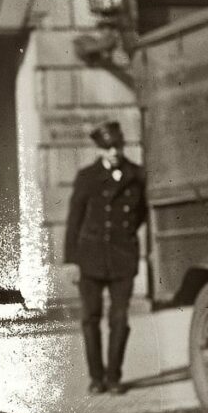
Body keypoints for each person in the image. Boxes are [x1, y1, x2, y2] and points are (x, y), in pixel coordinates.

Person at [64, 119, 147, 395]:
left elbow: (141, 214)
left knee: (120, 319)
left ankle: (114, 377)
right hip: (90, 257)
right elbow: (74, 220)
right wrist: (71, 260)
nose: (114, 152)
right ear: (100, 150)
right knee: (90, 318)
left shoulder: (137, 175)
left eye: (118, 146)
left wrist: (125, 238)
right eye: (109, 148)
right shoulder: (87, 177)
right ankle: (96, 378)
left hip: (123, 257)